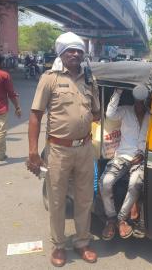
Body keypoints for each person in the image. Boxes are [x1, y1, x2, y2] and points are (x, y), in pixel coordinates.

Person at [27, 32, 100, 267]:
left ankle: (82, 242)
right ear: (62, 53)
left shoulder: (90, 80)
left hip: (85, 149)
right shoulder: (50, 79)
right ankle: (59, 246)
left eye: (79, 50)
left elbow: (97, 112)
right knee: (57, 200)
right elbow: (35, 116)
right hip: (58, 150)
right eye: (70, 50)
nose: (75, 54)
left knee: (84, 198)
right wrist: (33, 152)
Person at [100, 88, 150, 240]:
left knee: (135, 183)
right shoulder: (125, 111)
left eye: (143, 101)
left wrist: (142, 154)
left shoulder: (151, 115)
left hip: (140, 158)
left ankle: (121, 219)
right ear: (134, 100)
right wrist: (117, 92)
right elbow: (109, 114)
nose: (140, 104)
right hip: (122, 156)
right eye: (138, 101)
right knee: (105, 182)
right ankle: (111, 218)